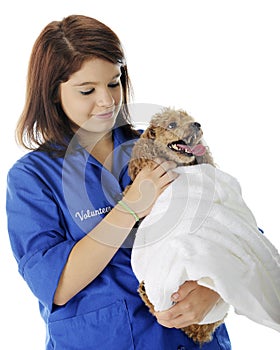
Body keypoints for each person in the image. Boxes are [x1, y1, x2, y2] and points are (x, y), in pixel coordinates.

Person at [6, 14, 231, 349]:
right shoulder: (32, 178)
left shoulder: (166, 147)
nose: (108, 100)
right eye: (87, 90)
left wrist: (216, 292)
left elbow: (237, 235)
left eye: (114, 82)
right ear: (53, 93)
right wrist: (130, 207)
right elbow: (58, 283)